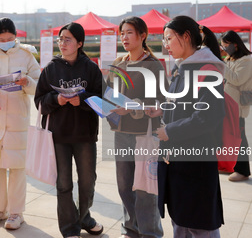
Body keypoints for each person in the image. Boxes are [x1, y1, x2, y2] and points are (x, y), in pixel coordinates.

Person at [146, 15, 225, 238]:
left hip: (196, 161)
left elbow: (208, 116)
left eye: (169, 38)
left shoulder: (206, 70)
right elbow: (185, 105)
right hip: (180, 162)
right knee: (181, 219)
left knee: (200, 225)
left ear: (186, 36)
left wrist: (169, 131)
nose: (165, 44)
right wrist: (162, 110)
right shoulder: (184, 68)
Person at [34, 22, 104, 238]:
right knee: (63, 184)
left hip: (85, 135)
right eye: (60, 39)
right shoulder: (51, 69)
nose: (62, 43)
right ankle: (69, 229)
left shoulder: (91, 68)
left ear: (79, 43)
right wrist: (57, 99)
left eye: (67, 39)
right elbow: (39, 101)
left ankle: (84, 218)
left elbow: (103, 100)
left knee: (87, 182)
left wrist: (81, 99)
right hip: (58, 136)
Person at [106, 16, 166, 238]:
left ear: (143, 35)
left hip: (144, 134)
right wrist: (106, 106)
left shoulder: (153, 65)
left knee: (145, 189)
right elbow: (109, 93)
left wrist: (132, 107)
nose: (124, 37)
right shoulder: (118, 64)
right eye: (122, 33)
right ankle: (131, 229)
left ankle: (150, 233)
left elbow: (162, 101)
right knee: (124, 187)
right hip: (121, 133)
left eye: (129, 32)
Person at [0, 17, 41, 230]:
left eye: (10, 38)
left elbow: (40, 86)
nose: (6, 41)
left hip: (17, 117)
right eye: (1, 39)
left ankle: (16, 213)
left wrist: (27, 82)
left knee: (17, 167)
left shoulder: (26, 55)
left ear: (15, 37)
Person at [221, 30, 252, 181]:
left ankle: (243, 170)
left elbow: (237, 79)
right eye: (223, 45)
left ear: (235, 44)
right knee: (228, 136)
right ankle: (231, 165)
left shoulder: (247, 60)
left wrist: (221, 65)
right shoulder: (230, 58)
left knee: (240, 137)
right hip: (227, 103)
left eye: (226, 45)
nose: (224, 48)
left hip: (237, 105)